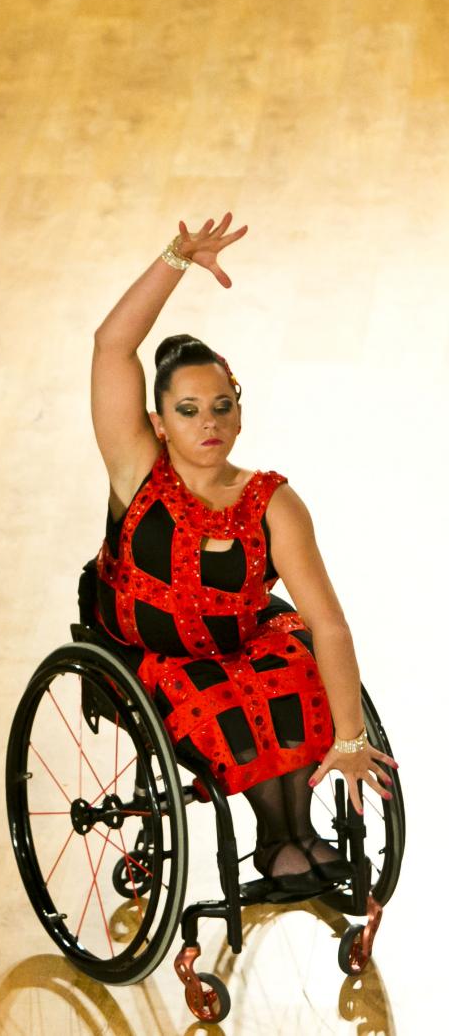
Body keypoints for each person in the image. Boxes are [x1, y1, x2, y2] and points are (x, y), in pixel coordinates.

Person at [89, 212, 398, 891]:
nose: (209, 423)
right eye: (190, 409)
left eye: (222, 406)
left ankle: (294, 840)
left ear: (240, 410)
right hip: (156, 649)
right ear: (157, 421)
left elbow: (331, 623)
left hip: (242, 636)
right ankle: (281, 844)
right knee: (223, 709)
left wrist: (351, 739)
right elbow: (113, 345)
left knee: (291, 679)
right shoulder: (136, 469)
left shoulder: (272, 501)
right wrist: (175, 257)